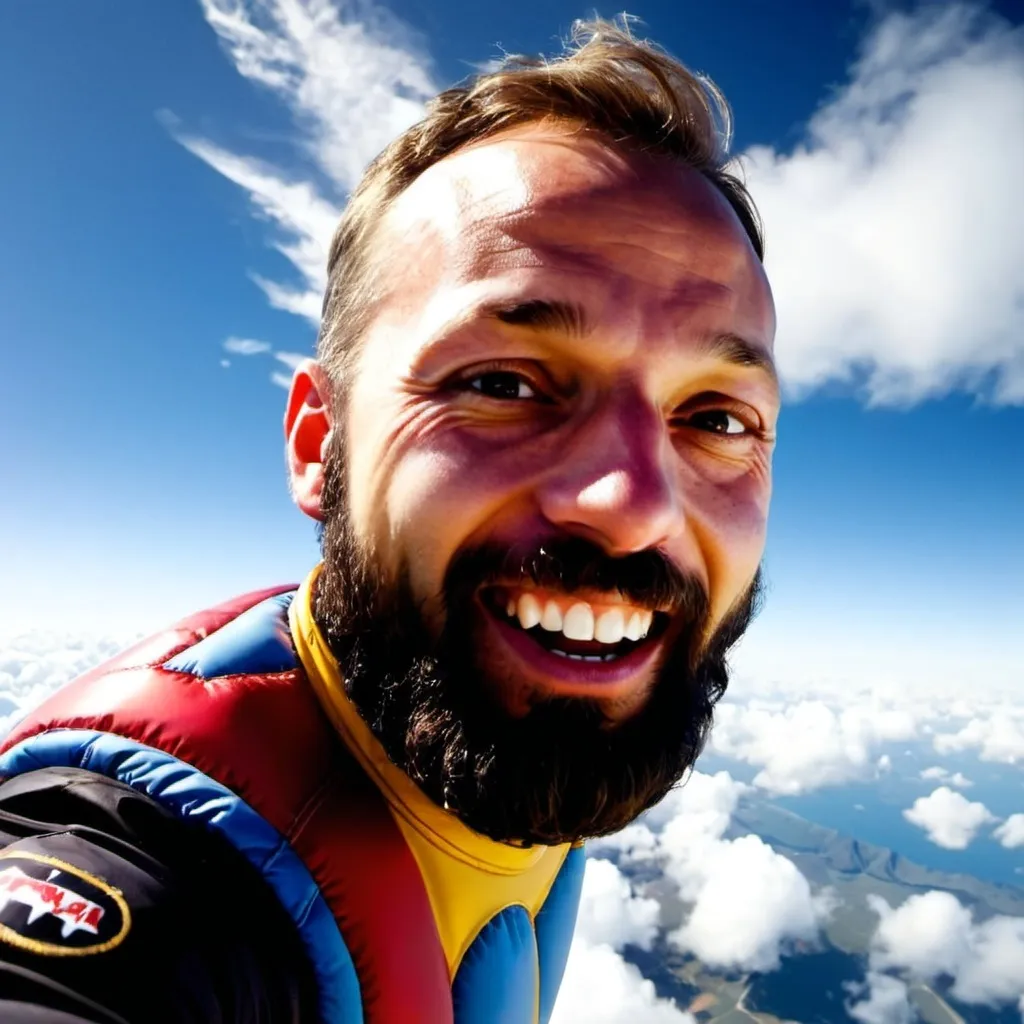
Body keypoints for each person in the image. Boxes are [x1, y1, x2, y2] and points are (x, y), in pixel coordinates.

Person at [0, 17, 778, 1024]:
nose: (633, 505)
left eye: (715, 417)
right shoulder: (139, 862)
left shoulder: (480, 732)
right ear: (319, 444)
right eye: (502, 382)